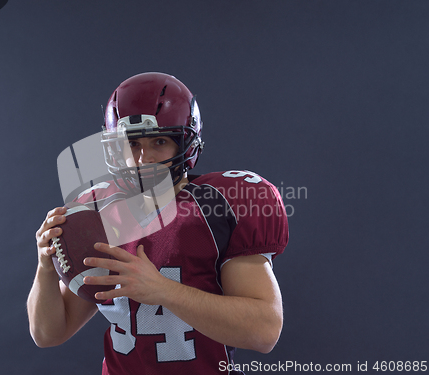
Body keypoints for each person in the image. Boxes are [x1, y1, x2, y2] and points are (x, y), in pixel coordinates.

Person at [27, 72, 289, 375]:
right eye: (132, 144)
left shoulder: (220, 205)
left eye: (159, 142)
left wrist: (163, 290)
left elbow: (264, 330)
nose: (142, 159)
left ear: (185, 145)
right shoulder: (95, 212)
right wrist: (46, 267)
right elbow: (48, 334)